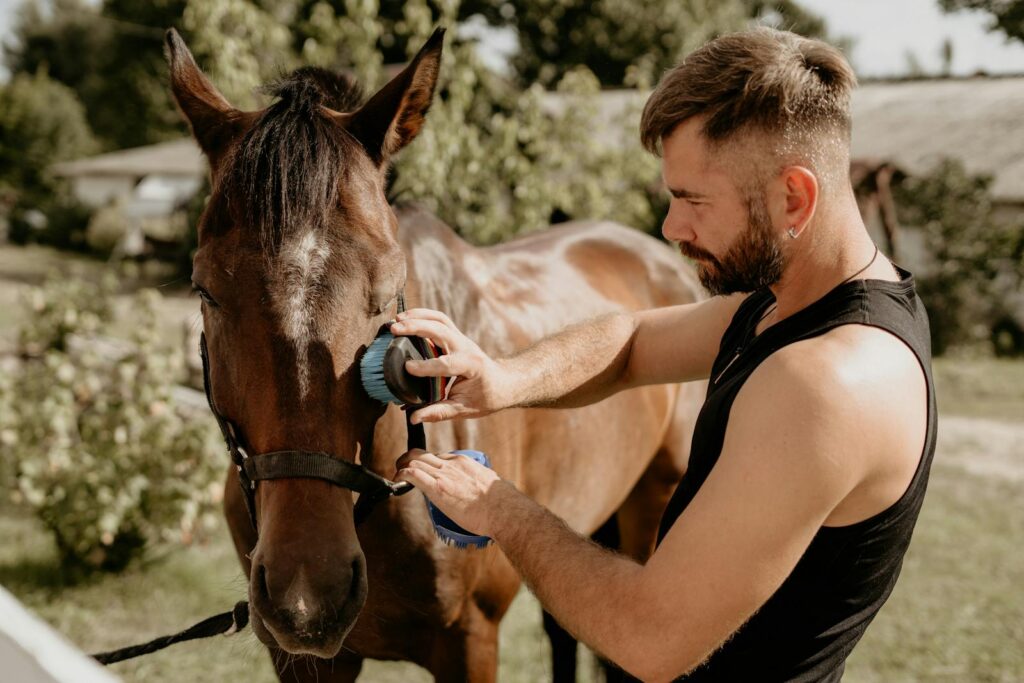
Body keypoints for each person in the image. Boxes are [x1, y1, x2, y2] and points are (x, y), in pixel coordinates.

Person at [392, 27, 936, 682]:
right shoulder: (792, 302)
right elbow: (633, 341)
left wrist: (501, 508)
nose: (671, 229)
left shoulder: (827, 380)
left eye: (692, 201)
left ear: (794, 197)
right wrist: (502, 377)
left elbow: (650, 638)